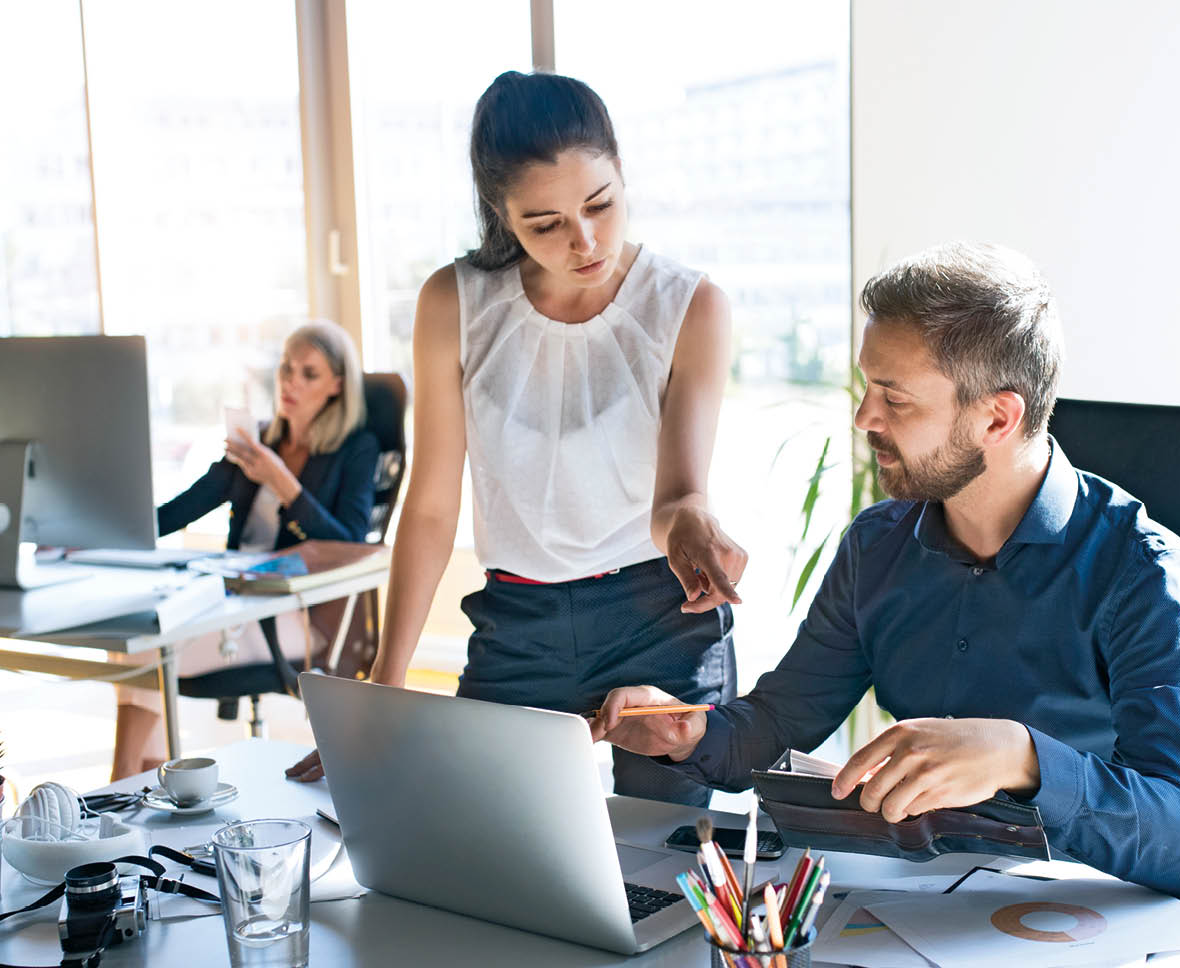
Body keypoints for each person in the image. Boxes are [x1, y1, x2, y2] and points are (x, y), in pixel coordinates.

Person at [591, 242, 1180, 897]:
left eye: (896, 398)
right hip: (907, 906)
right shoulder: (877, 548)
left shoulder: (1141, 571)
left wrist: (1021, 756)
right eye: (868, 387)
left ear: (997, 418)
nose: (865, 417)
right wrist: (692, 733)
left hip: (1072, 916)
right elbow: (777, 725)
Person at [286, 71, 746, 804]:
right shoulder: (456, 302)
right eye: (545, 223)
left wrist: (694, 526)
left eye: (600, 204)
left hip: (659, 618)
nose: (585, 239)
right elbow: (432, 509)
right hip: (517, 624)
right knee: (484, 851)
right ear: (500, 214)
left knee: (668, 870)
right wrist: (384, 686)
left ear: (621, 169)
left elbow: (677, 495)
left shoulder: (689, 304)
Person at [111, 320, 378, 780]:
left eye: (308, 373)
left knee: (145, 646)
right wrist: (103, 531)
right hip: (235, 598)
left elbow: (348, 543)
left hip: (296, 612)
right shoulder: (258, 441)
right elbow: (179, 511)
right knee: (135, 635)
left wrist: (281, 481)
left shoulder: (356, 449)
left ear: (337, 385)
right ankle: (144, 776)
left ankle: (124, 779)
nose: (290, 381)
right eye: (286, 368)